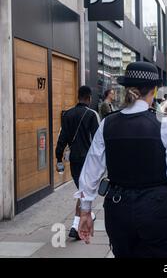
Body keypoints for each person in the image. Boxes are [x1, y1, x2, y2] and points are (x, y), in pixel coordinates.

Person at [76, 61, 167, 258]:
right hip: (157, 206)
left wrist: (85, 212)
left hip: (118, 207)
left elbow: (91, 171)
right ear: (154, 90)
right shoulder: (164, 123)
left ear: (126, 89)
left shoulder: (107, 123)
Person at [55, 86, 100, 240]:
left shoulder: (67, 114)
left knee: (82, 191)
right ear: (89, 98)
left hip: (74, 160)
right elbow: (98, 141)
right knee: (84, 192)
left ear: (78, 96)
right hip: (89, 160)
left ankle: (79, 222)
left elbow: (62, 138)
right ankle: (77, 224)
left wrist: (58, 158)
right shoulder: (92, 115)